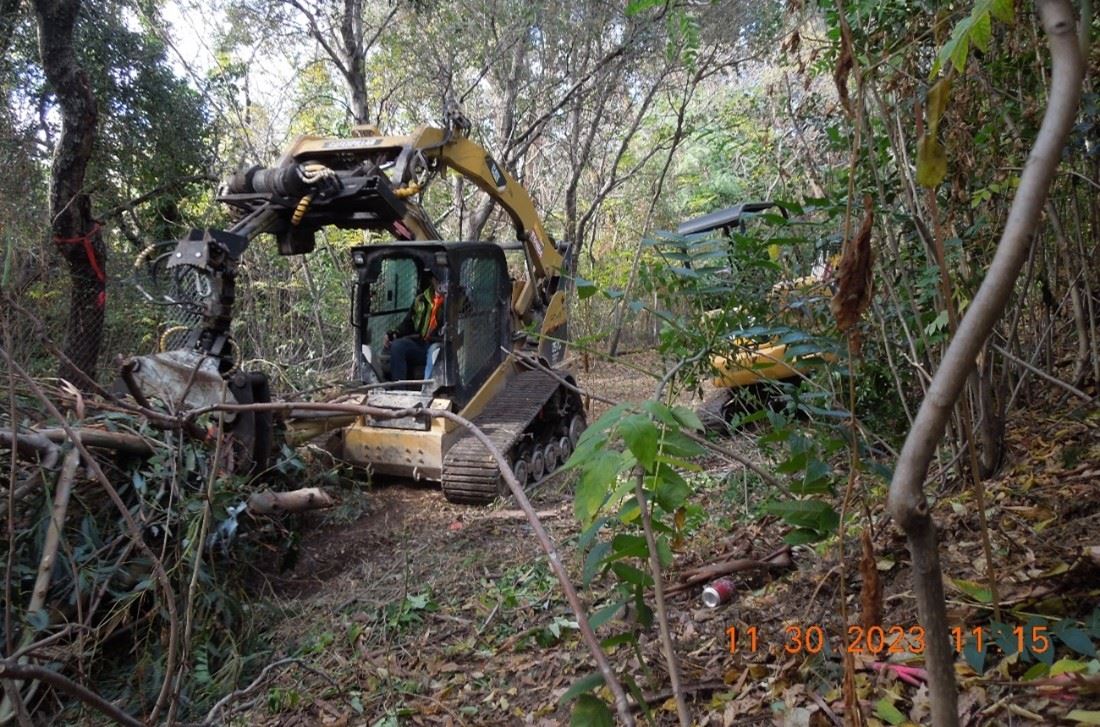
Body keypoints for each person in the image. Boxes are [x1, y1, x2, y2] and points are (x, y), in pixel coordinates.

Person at [386, 272, 445, 381]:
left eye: (444, 280)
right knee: (397, 346)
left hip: (442, 346)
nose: (441, 283)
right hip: (421, 344)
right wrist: (394, 333)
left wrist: (455, 297)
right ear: (432, 280)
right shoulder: (421, 300)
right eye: (438, 279)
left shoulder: (454, 301)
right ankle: (399, 389)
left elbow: (466, 310)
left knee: (434, 350)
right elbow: (408, 323)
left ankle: (427, 389)